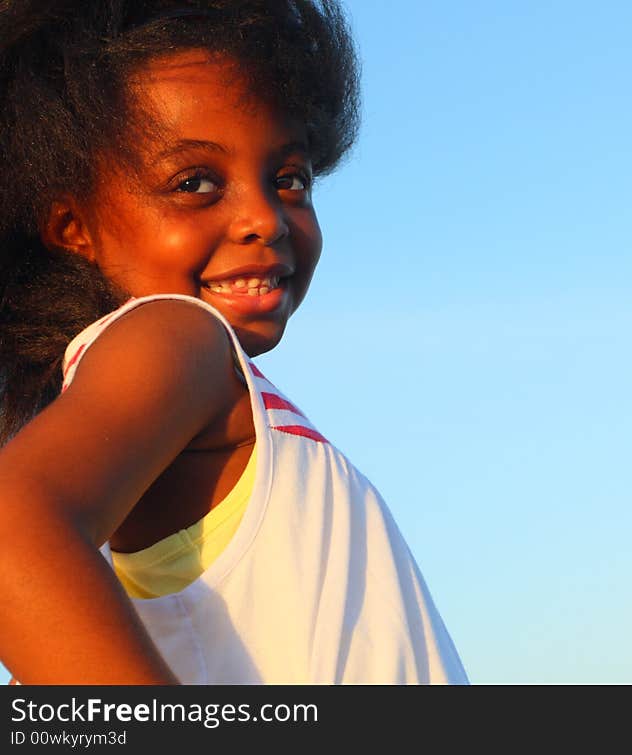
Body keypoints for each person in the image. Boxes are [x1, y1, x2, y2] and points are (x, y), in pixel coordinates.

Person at [0, 0, 468, 685]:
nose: (263, 217)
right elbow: (14, 526)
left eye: (290, 179)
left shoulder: (173, 395)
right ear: (74, 228)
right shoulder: (178, 337)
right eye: (195, 183)